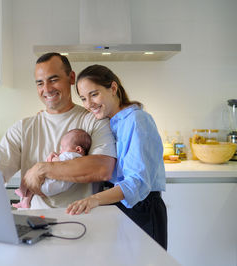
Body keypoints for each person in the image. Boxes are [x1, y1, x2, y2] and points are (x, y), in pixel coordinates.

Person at [0, 53, 116, 209]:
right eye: (40, 83)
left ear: (71, 77)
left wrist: (43, 169)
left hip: (82, 221)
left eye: (53, 80)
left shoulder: (94, 120)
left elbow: (103, 168)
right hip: (35, 222)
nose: (46, 89)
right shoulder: (22, 128)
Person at [66, 64, 167, 249]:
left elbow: (137, 182)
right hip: (117, 205)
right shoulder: (107, 122)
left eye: (94, 94)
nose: (89, 104)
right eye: (83, 98)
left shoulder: (137, 120)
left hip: (141, 208)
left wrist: (94, 199)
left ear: (113, 88)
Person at [12, 128, 92, 209]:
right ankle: (25, 202)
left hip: (50, 185)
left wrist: (52, 157)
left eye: (63, 148)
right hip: (55, 187)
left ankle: (22, 190)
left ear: (78, 149)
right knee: (32, 189)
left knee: (29, 175)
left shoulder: (72, 155)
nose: (60, 151)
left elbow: (56, 163)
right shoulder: (80, 159)